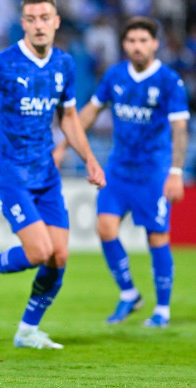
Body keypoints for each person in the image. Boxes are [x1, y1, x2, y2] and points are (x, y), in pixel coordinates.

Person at [0, 0, 105, 349]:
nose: (38, 25)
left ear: (57, 21)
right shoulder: (0, 63)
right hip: (8, 173)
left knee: (59, 257)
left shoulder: (64, 63)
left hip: (45, 173)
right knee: (38, 252)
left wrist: (90, 159)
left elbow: (69, 116)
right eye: (31, 19)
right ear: (23, 24)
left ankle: (27, 330)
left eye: (45, 18)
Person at [53, 17, 190, 328]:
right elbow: (89, 111)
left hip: (152, 171)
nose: (137, 46)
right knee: (105, 228)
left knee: (156, 236)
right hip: (117, 169)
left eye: (143, 40)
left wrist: (176, 171)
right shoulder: (115, 74)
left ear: (155, 44)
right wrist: (63, 145)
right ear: (124, 45)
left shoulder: (169, 81)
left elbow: (180, 128)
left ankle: (163, 310)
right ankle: (129, 294)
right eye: (131, 41)